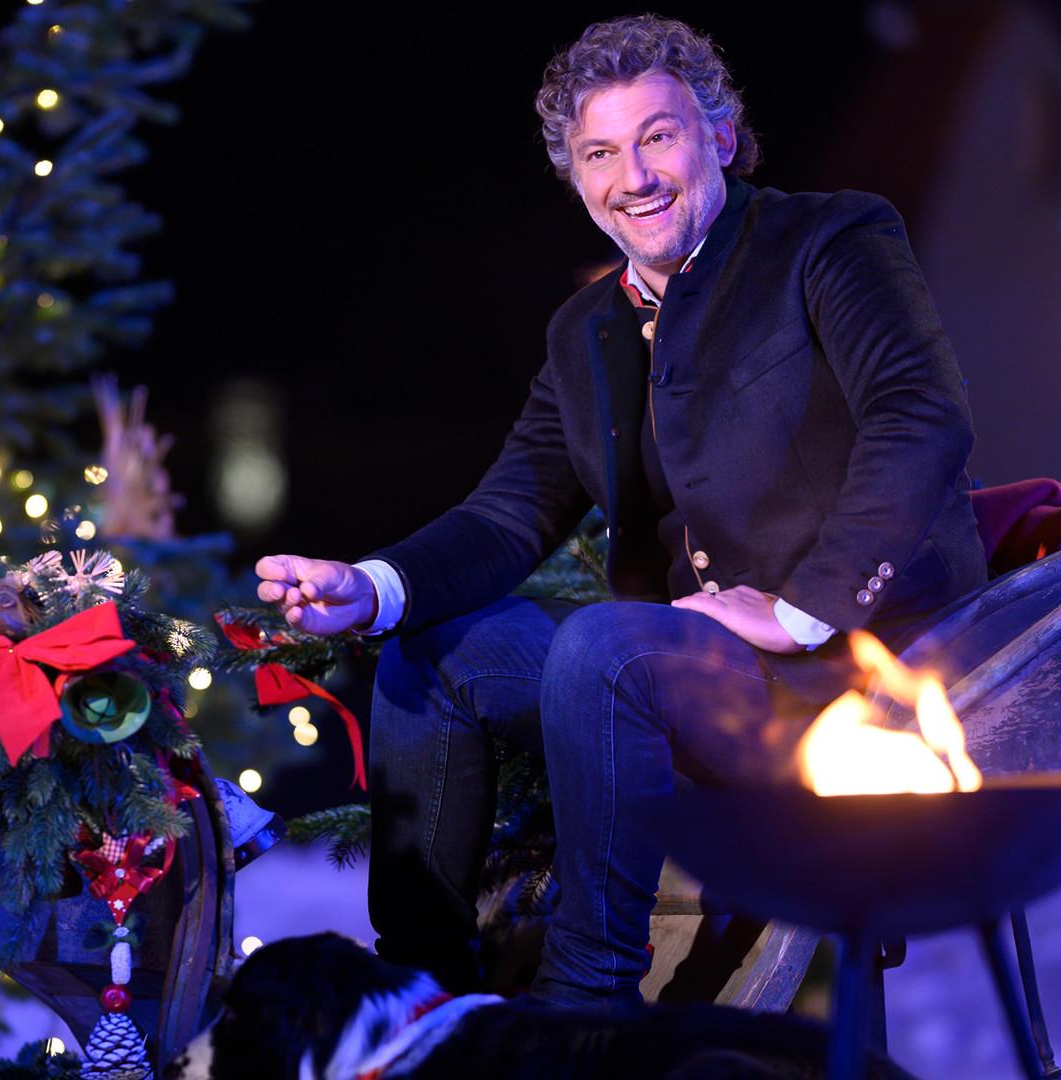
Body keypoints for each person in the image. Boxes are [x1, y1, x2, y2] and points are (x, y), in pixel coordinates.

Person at [255, 14, 985, 1010]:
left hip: (845, 671)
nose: (633, 176)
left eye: (658, 137)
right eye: (600, 153)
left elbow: (921, 417)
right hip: (690, 674)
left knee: (606, 644)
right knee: (437, 650)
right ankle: (424, 998)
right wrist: (371, 586)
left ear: (719, 135)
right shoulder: (587, 329)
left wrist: (801, 608)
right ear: (576, 178)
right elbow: (511, 513)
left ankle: (585, 1006)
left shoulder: (828, 240)